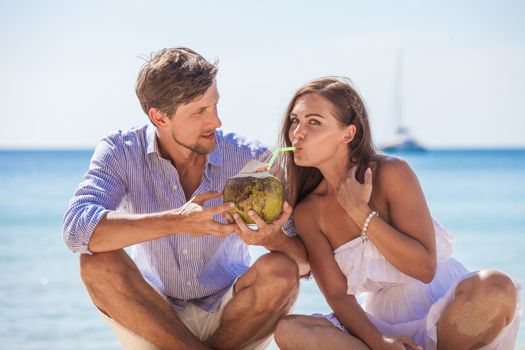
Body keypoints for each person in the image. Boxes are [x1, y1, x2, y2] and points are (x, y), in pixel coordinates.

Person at [62, 47, 309, 350]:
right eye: (199, 112)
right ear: (159, 117)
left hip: (234, 314)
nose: (216, 122)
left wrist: (273, 240)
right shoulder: (121, 151)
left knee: (281, 271)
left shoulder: (252, 159)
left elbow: (304, 261)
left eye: (215, 105)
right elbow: (76, 230)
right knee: (96, 262)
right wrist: (176, 221)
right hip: (153, 315)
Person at [273, 77, 521, 349]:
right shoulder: (309, 212)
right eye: (295, 121)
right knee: (290, 329)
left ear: (348, 134)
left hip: (451, 312)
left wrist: (359, 212)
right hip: (380, 322)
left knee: (497, 285)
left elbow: (425, 268)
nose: (297, 132)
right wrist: (379, 341)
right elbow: (337, 295)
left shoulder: (392, 173)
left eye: (314, 122)